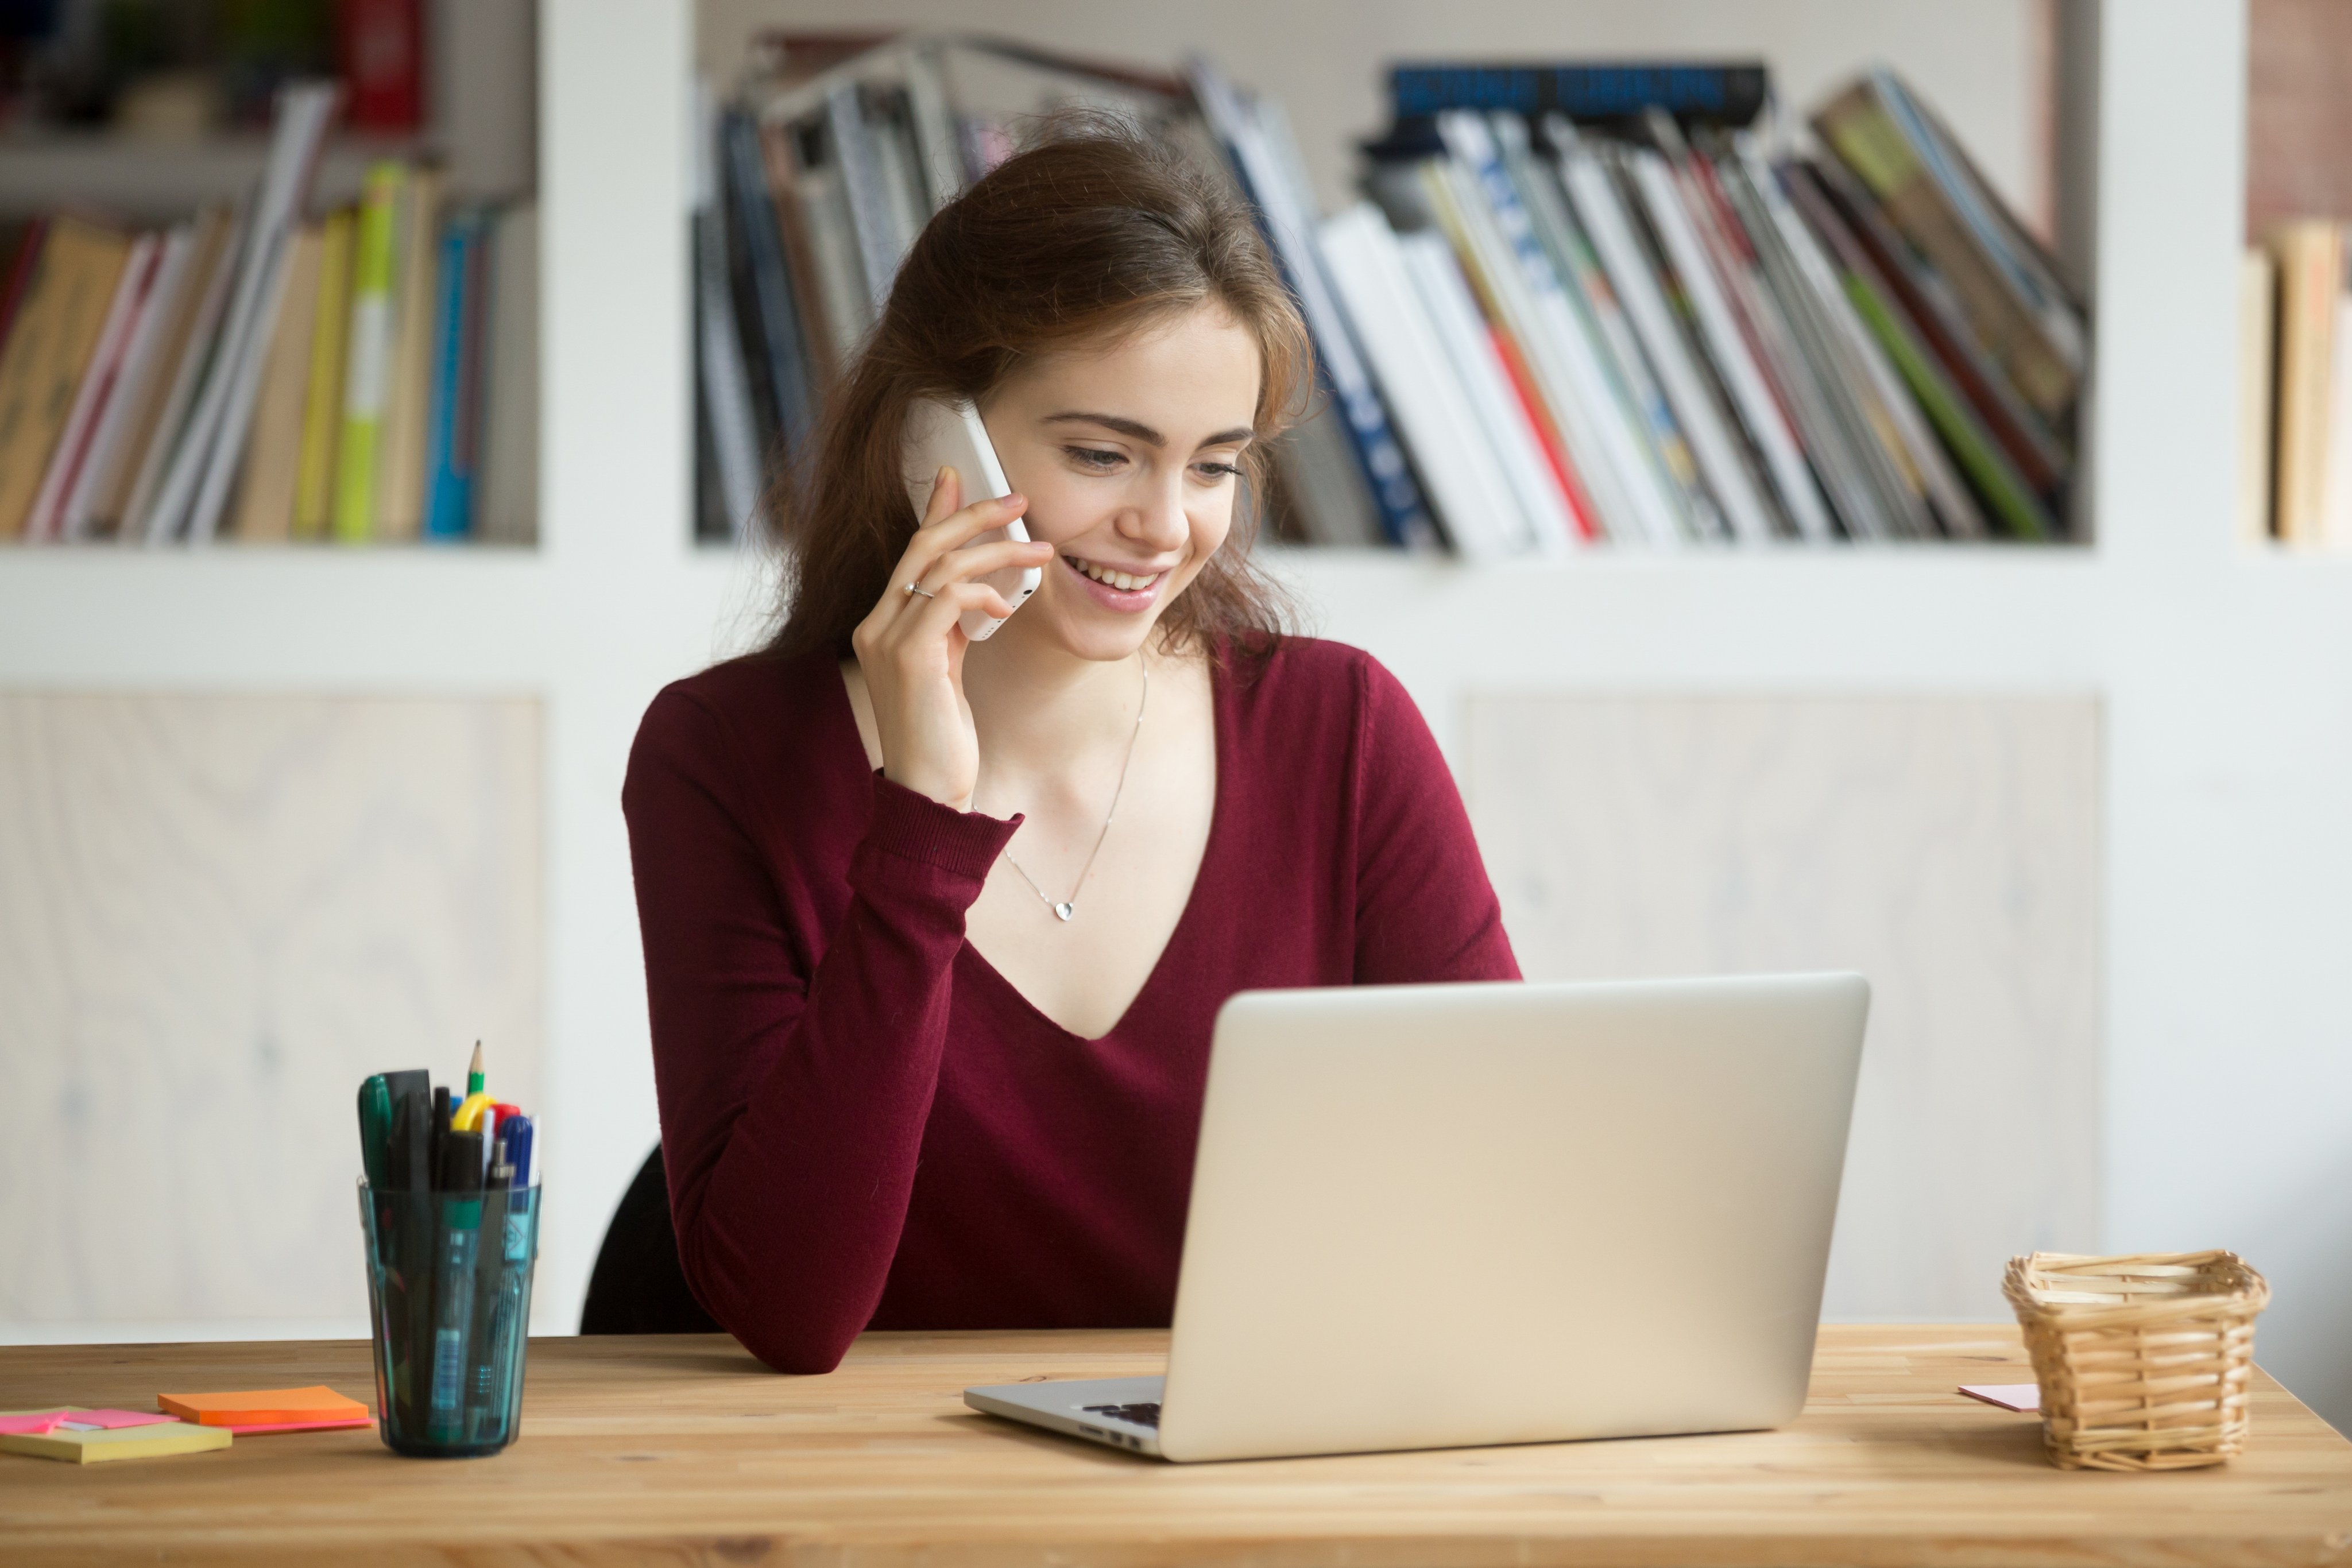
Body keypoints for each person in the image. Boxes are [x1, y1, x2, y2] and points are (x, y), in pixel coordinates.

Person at [622, 118, 1518, 1375]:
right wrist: (921, 818)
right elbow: (789, 1308)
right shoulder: (722, 756)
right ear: (932, 436)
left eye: (1213, 464)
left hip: (1248, 1481)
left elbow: (1500, 1199)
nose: (1163, 525)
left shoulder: (1340, 733)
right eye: (1103, 454)